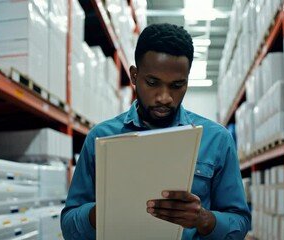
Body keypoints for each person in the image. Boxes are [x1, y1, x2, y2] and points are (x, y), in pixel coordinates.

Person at [61, 23, 251, 239]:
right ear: (134, 76)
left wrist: (203, 219)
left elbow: (240, 222)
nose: (164, 97)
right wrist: (104, 211)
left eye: (177, 85)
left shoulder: (217, 139)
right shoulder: (101, 137)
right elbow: (69, 227)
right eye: (152, 83)